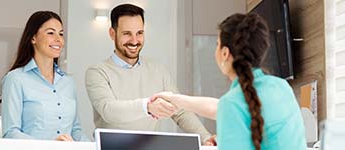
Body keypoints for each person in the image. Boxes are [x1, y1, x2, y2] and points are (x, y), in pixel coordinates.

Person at [155, 13, 306, 149]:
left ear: (225, 53)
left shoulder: (233, 103)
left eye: (217, 44)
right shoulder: (281, 87)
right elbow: (221, 108)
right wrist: (175, 99)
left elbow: (228, 108)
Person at [85, 3, 213, 144]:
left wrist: (205, 137)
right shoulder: (97, 72)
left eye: (139, 33)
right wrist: (147, 107)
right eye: (127, 34)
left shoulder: (158, 71)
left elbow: (180, 111)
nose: (134, 41)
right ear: (112, 33)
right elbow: (109, 110)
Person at [1, 11, 86, 141]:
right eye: (51, 33)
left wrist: (94, 145)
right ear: (33, 38)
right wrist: (49, 145)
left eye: (61, 34)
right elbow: (11, 133)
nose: (59, 39)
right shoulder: (15, 79)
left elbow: (75, 130)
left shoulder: (68, 82)